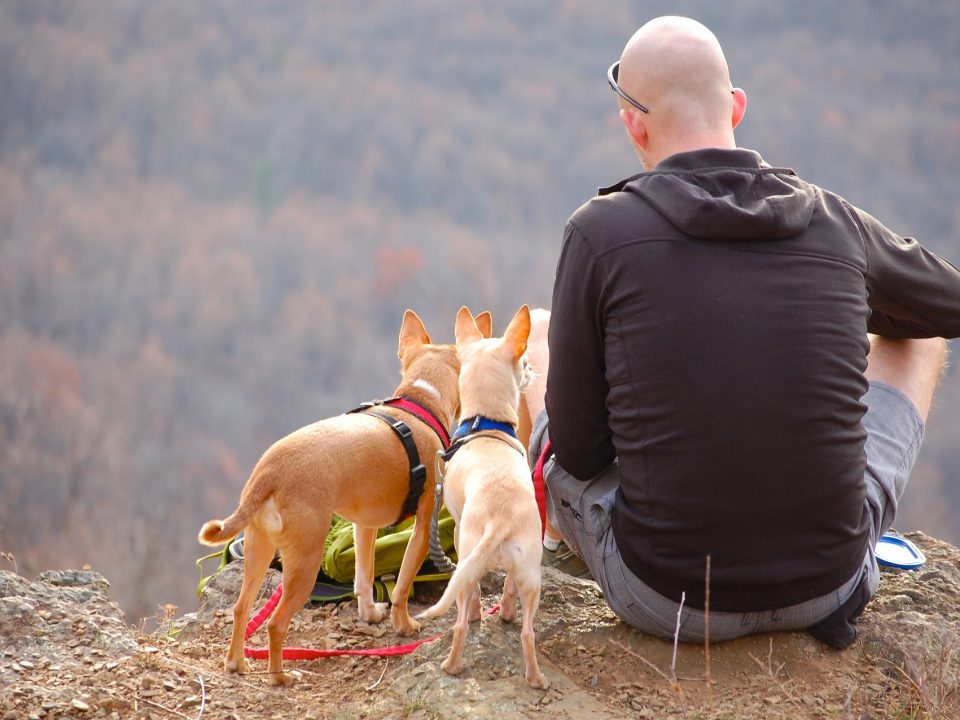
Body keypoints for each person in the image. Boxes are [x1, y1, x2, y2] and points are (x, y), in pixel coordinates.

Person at [524, 16, 960, 648]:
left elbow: (583, 454)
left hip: (663, 594)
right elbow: (946, 305)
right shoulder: (835, 222)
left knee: (537, 331)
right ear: (736, 107)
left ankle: (553, 539)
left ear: (633, 122)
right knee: (916, 335)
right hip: (830, 585)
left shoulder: (599, 234)